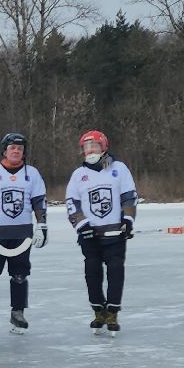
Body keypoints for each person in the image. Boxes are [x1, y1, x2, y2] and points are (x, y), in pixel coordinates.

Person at [65, 129, 137, 335]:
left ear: (104, 147)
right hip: (90, 237)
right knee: (92, 272)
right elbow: (72, 203)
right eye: (86, 147)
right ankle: (98, 310)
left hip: (115, 235)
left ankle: (113, 312)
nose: (90, 150)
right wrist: (82, 225)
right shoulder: (78, 175)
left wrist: (128, 220)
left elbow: (129, 196)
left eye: (94, 146)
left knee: (115, 271)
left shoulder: (119, 169)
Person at [0, 132, 48, 333]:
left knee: (19, 275)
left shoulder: (32, 174)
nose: (16, 151)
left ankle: (17, 312)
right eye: (12, 148)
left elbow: (38, 202)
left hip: (22, 235)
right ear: (4, 150)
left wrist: (42, 226)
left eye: (20, 149)